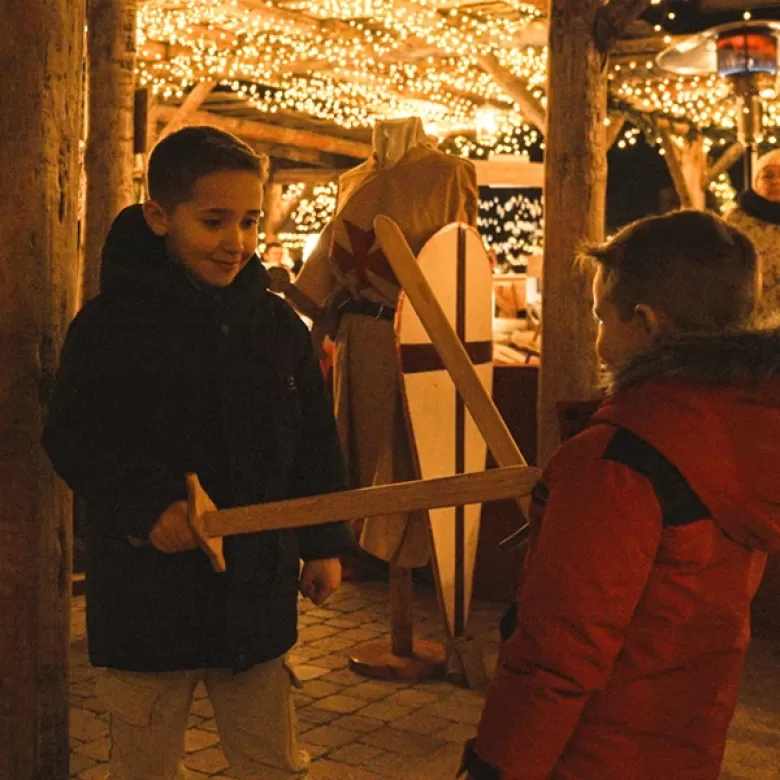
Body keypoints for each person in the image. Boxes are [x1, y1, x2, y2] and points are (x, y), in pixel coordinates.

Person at [42, 126, 353, 780]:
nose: (236, 242)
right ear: (159, 214)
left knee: (272, 761)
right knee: (145, 763)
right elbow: (77, 434)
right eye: (214, 221)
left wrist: (323, 541)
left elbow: (312, 440)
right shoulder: (108, 327)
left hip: (255, 596)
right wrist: (148, 506)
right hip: (148, 601)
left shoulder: (275, 327)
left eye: (248, 221)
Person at [461, 210, 780, 780]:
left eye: (600, 319)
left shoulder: (619, 460)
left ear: (646, 322)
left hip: (590, 754)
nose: (599, 340)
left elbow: (560, 650)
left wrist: (499, 766)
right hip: (685, 743)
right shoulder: (743, 436)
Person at [726, 148, 780, 324]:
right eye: (768, 176)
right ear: (756, 182)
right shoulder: (738, 219)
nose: (775, 181)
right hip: (753, 314)